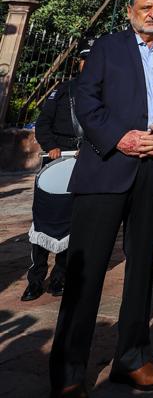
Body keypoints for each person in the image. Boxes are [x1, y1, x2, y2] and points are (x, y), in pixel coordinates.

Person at [48, 0, 153, 398]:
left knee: (141, 274)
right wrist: (120, 137)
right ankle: (69, 374)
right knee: (85, 275)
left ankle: (131, 358)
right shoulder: (107, 48)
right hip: (106, 169)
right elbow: (86, 98)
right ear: (131, 10)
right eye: (146, 7)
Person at [22, 52, 87, 301]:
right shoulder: (62, 91)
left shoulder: (106, 92)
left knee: (72, 223)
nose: (88, 63)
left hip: (83, 164)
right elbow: (43, 123)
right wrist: (50, 146)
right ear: (78, 63)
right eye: (84, 58)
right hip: (55, 161)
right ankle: (35, 280)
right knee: (43, 222)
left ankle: (59, 278)